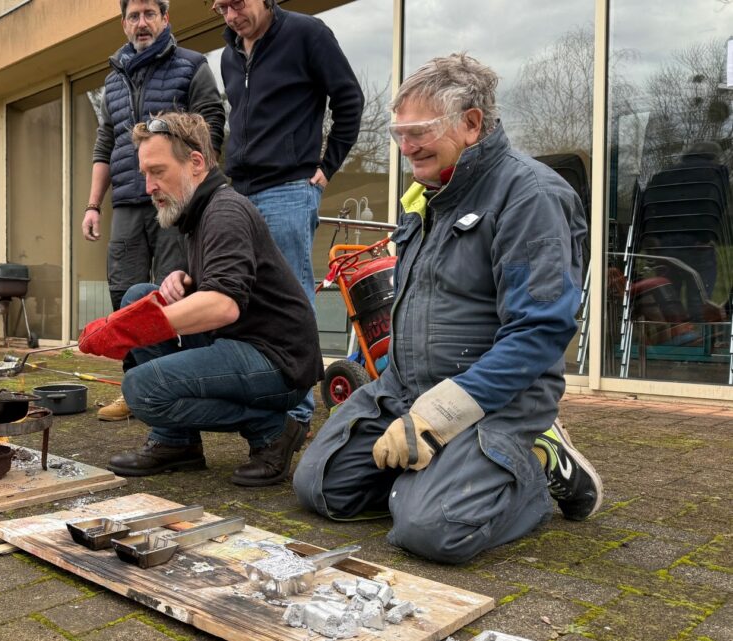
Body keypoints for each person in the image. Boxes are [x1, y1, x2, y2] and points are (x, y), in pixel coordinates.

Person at [293, 53, 602, 564]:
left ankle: (535, 465)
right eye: (398, 134)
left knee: (432, 531)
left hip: (499, 399)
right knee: (322, 488)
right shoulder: (430, 195)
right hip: (406, 389)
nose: (405, 147)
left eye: (418, 131)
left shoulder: (532, 197)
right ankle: (445, 481)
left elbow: (540, 330)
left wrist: (437, 417)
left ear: (472, 123)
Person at [78, 111, 322, 487]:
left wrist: (131, 327)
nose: (149, 187)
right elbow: (234, 278)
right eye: (145, 174)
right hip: (243, 341)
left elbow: (224, 304)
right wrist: (185, 281)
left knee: (142, 389)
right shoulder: (198, 213)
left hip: (278, 361)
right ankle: (176, 443)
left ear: (195, 163)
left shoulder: (224, 212)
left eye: (157, 171)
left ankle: (272, 429)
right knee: (142, 294)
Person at [215, 0, 363, 433]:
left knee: (292, 298)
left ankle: (296, 413)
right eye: (220, 7)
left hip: (287, 189)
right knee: (243, 300)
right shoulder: (229, 54)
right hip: (239, 190)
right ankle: (262, 399)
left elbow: (350, 100)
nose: (230, 15)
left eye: (237, 3)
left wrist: (327, 166)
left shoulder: (307, 34)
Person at [82, 0, 225, 423]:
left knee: (171, 293)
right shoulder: (112, 81)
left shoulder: (192, 65)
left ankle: (175, 384)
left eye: (149, 13)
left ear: (165, 18)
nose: (141, 23)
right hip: (127, 201)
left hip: (175, 204)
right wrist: (93, 205)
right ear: (123, 23)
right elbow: (104, 145)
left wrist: (196, 192)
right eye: (133, 15)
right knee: (124, 292)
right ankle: (135, 387)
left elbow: (212, 126)